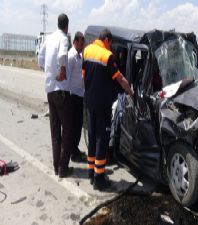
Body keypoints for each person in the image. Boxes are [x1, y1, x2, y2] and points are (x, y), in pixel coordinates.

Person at [83, 28, 134, 191]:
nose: (110, 47)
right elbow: (120, 78)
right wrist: (131, 92)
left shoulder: (87, 50)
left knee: (92, 138)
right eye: (110, 44)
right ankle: (99, 178)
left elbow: (84, 74)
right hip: (103, 104)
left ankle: (91, 172)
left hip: (90, 102)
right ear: (107, 40)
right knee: (102, 140)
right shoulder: (107, 56)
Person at [38, 13, 73, 178]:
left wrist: (48, 73)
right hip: (60, 90)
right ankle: (63, 168)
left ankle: (56, 166)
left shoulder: (49, 37)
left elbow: (40, 58)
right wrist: (61, 71)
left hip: (49, 90)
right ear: (67, 26)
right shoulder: (64, 38)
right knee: (67, 129)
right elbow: (62, 55)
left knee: (54, 130)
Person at [68, 31, 86, 163]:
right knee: (73, 126)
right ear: (75, 42)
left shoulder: (79, 56)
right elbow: (67, 78)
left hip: (80, 95)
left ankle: (75, 149)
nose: (82, 46)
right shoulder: (71, 56)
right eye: (81, 43)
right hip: (72, 96)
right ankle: (72, 153)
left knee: (78, 125)